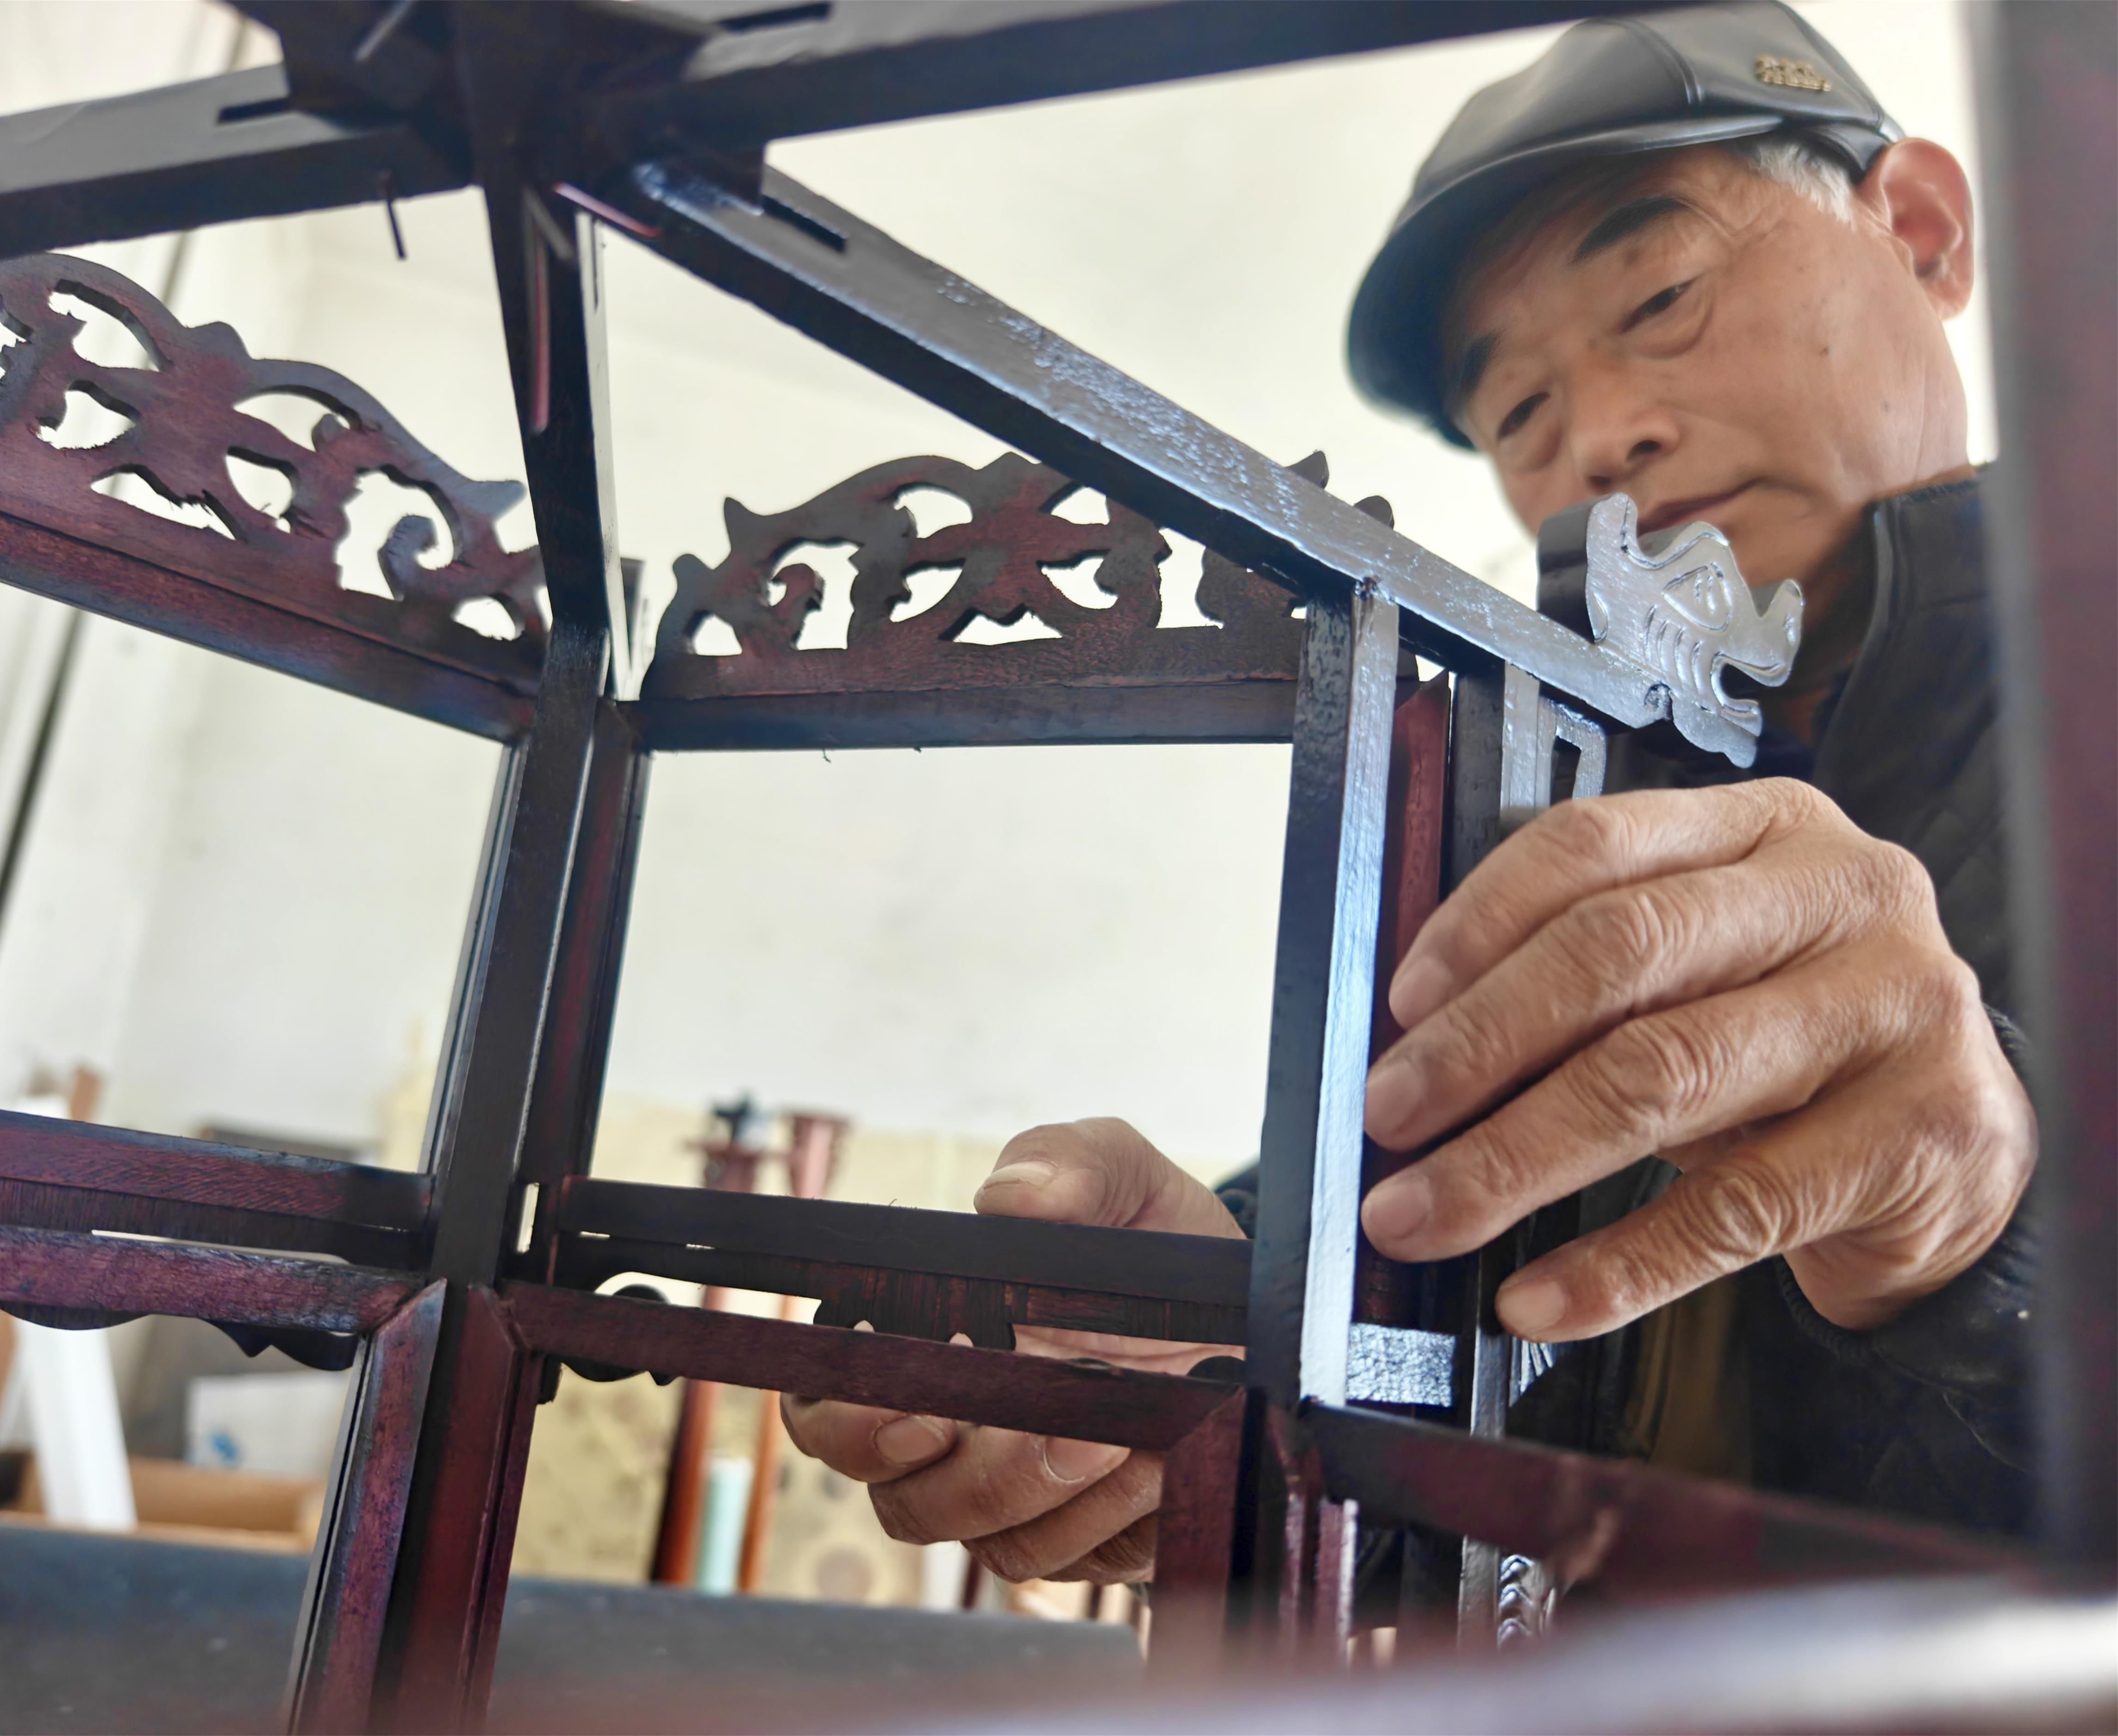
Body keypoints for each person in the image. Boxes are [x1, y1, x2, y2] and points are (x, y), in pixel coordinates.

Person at [781, 0, 2038, 1588]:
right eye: (1517, 412)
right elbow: (1459, 1373)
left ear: (1919, 231)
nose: (1600, 438)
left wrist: (1991, 1226)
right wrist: (1227, 1356)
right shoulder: (1539, 788)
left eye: (1663, 296)